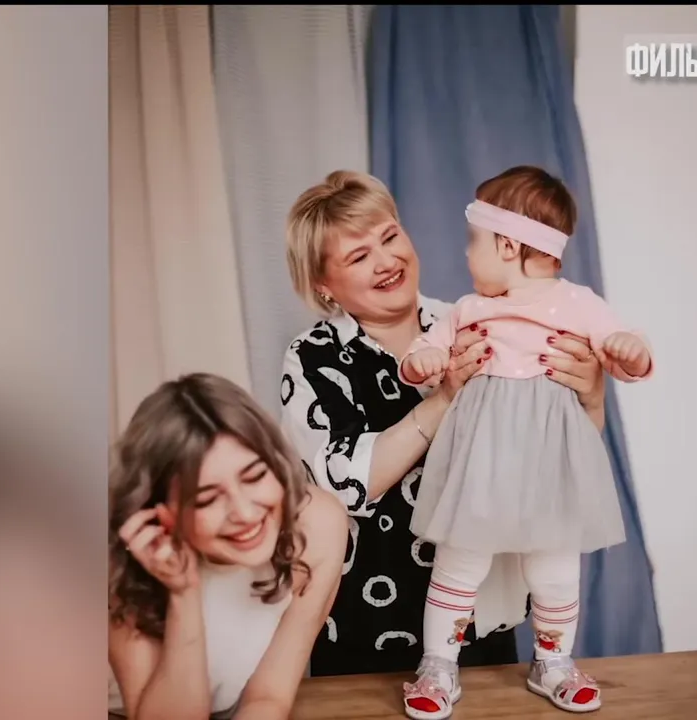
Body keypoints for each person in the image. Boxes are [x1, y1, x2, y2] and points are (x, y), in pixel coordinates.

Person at [279, 170, 611, 681]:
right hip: (366, 627)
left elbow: (558, 453)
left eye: (390, 237)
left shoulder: (476, 321)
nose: (386, 261)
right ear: (323, 284)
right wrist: (444, 398)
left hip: (482, 620)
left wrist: (591, 397)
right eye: (359, 256)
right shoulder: (312, 358)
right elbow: (343, 486)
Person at [396, 166, 654, 718]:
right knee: (459, 562)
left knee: (554, 567)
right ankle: (438, 665)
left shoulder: (578, 302)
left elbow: (619, 345)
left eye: (474, 241)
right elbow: (426, 348)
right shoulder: (468, 309)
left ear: (508, 246)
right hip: (482, 465)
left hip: (549, 467)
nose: (466, 254)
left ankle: (552, 662)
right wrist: (424, 359)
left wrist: (631, 351)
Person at [108, 373, 348, 720]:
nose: (245, 514)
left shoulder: (318, 524)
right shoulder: (118, 557)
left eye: (255, 476)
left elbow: (268, 698)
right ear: (158, 509)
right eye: (207, 499)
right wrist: (183, 593)